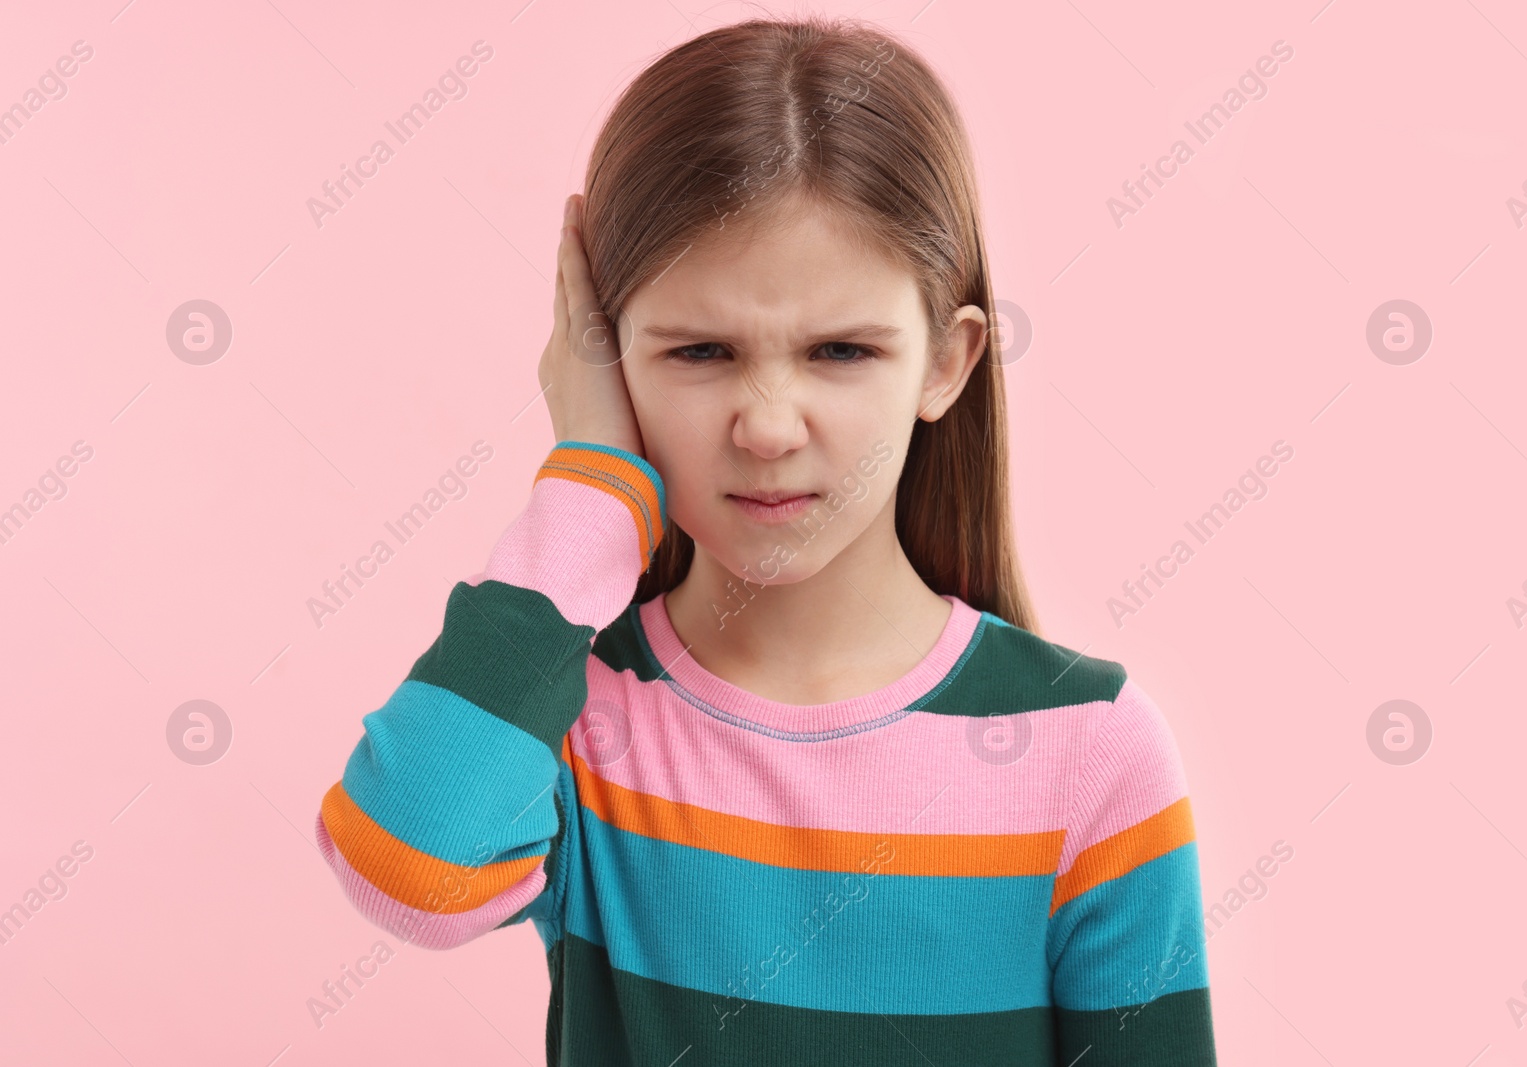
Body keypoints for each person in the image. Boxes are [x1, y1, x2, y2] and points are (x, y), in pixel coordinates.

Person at [314, 16, 1217, 1065]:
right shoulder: (572, 717)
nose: (769, 425)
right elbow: (405, 865)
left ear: (946, 362)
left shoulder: (1089, 745)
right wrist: (592, 484)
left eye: (841, 349)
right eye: (700, 349)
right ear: (603, 361)